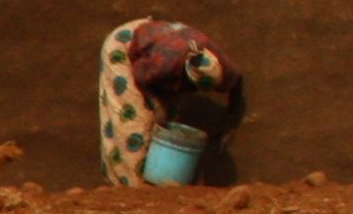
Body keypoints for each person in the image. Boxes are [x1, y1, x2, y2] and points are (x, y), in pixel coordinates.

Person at [95, 17, 245, 183]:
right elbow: (142, 79)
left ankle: (156, 178)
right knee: (134, 121)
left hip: (155, 48)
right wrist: (156, 110)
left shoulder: (227, 70)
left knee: (166, 117)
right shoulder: (166, 63)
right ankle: (131, 184)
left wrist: (227, 125)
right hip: (124, 47)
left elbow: (236, 93)